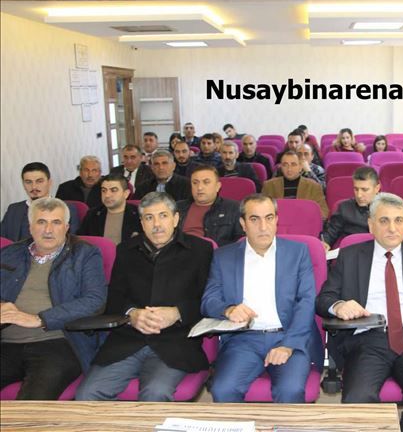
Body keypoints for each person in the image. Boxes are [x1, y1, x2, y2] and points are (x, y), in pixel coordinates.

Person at [316, 193, 403, 432]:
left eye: (398, 220)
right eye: (384, 221)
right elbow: (323, 300)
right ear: (371, 224)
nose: (392, 228)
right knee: (357, 399)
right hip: (367, 340)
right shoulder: (350, 255)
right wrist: (338, 306)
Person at [75, 192, 213, 401]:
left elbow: (209, 301)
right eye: (149, 217)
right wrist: (132, 314)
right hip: (129, 340)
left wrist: (177, 313)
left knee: (156, 393)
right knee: (87, 393)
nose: (157, 224)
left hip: (175, 342)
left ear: (176, 218)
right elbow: (114, 299)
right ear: (142, 223)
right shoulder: (126, 250)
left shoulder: (200, 250)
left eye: (163, 216)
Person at [201, 194, 321, 402]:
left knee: (290, 390)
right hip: (243, 340)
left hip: (287, 335)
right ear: (243, 224)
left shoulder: (298, 252)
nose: (263, 226)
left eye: (269, 218)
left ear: (276, 220)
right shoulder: (223, 257)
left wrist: (288, 345)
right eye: (254, 219)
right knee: (223, 390)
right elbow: (209, 299)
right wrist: (228, 309)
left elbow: (306, 302)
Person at [1, 197, 106, 399]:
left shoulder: (84, 254)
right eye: (41, 222)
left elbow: (95, 300)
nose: (48, 230)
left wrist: (40, 319)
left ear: (66, 227)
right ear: (30, 227)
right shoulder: (8, 254)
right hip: (6, 343)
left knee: (31, 406)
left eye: (56, 222)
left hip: (56, 343)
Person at [1, 162, 80, 241]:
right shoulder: (13, 209)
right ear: (23, 184)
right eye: (28, 182)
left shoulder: (67, 209)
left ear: (49, 182)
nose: (34, 187)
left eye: (39, 181)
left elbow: (72, 242)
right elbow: (3, 240)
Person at [177, 165, 244, 247]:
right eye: (195, 183)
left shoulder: (234, 208)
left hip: (215, 252)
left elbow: (241, 242)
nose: (199, 187)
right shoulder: (177, 207)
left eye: (206, 182)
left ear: (218, 186)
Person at [321, 166, 380, 250]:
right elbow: (331, 233)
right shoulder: (344, 207)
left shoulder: (390, 208)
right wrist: (325, 243)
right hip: (352, 251)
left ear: (377, 188)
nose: (359, 195)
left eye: (364, 190)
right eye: (356, 189)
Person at [77, 173, 142, 245]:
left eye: (113, 190)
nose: (107, 195)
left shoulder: (139, 214)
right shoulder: (93, 214)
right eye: (104, 190)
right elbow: (80, 242)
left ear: (126, 194)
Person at [262, 151, 329, 219]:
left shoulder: (313, 186)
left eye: (293, 164)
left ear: (300, 167)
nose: (289, 169)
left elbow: (323, 212)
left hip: (304, 222)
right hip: (277, 223)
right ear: (281, 167)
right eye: (285, 165)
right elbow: (261, 209)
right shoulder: (269, 185)